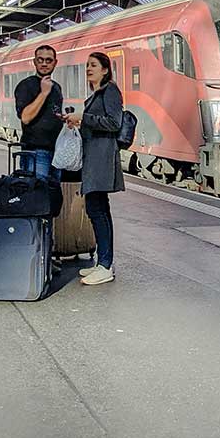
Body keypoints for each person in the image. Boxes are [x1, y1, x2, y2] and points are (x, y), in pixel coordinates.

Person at [64, 52, 125, 286]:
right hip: (94, 157)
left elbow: (113, 122)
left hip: (101, 158)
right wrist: (77, 122)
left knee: (97, 211)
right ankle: (102, 263)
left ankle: (106, 265)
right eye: (87, 65)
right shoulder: (97, 94)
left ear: (105, 70)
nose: (88, 68)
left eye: (93, 65)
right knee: (98, 209)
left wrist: (84, 117)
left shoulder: (110, 91)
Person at [13, 45, 64, 182]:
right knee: (35, 195)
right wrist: (43, 93)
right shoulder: (26, 86)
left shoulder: (57, 87)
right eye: (40, 60)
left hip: (56, 151)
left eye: (48, 60)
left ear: (55, 62)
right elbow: (26, 117)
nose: (44, 64)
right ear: (34, 62)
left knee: (53, 197)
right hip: (35, 151)